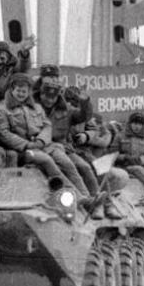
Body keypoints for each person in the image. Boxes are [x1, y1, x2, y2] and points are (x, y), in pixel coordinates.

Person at [0, 73, 90, 203]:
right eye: (18, 91)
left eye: (24, 91)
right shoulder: (2, 109)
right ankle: (76, 196)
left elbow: (47, 125)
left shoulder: (36, 107)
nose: (21, 94)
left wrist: (41, 140)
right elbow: (4, 133)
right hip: (22, 150)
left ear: (29, 92)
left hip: (43, 145)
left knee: (66, 162)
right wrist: (27, 144)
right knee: (47, 160)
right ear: (12, 90)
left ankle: (86, 197)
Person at [36, 66, 99, 197]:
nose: (49, 100)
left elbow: (84, 117)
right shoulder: (33, 108)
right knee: (66, 166)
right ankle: (83, 197)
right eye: (46, 96)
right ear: (41, 94)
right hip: (42, 147)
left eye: (53, 97)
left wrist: (85, 102)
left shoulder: (66, 109)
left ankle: (95, 197)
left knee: (84, 167)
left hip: (64, 148)